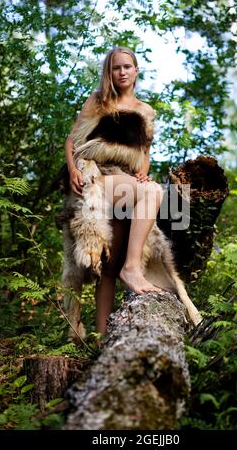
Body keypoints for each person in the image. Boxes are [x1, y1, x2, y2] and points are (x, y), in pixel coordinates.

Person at [65, 47, 164, 337]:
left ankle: (100, 341)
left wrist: (143, 171)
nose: (122, 72)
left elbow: (144, 152)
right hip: (95, 176)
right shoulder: (99, 101)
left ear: (136, 70)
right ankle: (132, 269)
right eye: (116, 68)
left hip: (123, 181)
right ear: (109, 72)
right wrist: (73, 170)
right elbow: (72, 140)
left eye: (127, 67)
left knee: (108, 268)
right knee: (154, 193)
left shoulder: (145, 110)